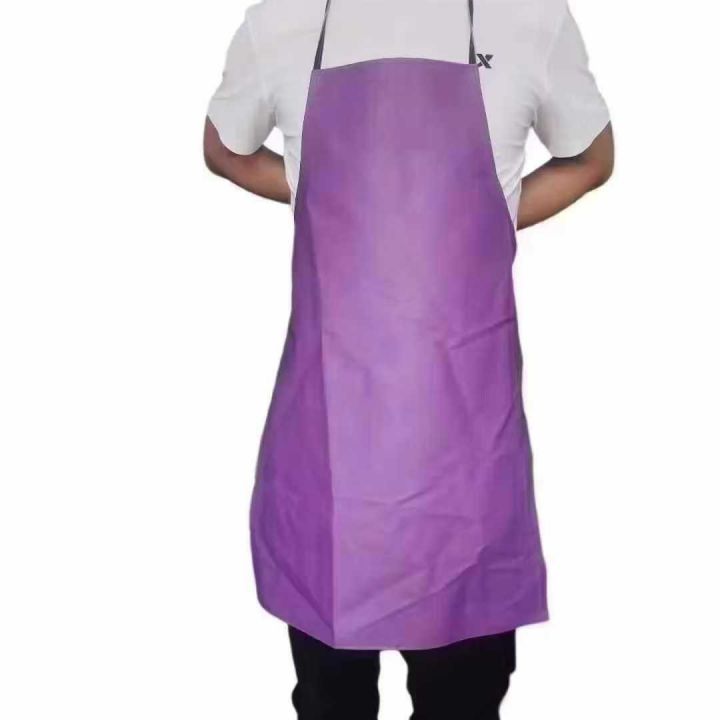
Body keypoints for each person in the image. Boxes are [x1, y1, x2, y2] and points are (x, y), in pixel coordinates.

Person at [204, 0, 613, 717]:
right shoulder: (286, 18)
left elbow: (593, 158)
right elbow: (222, 148)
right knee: (334, 704)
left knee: (462, 701)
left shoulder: (528, 16)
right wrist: (310, 188)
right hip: (331, 464)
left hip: (463, 466)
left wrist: (494, 209)